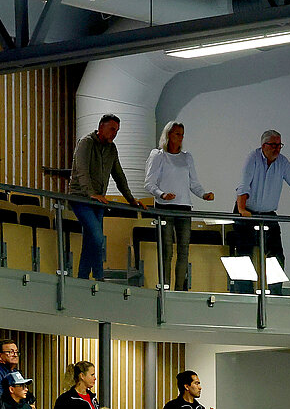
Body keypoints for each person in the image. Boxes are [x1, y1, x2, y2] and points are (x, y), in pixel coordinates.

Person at [230, 130, 290, 295]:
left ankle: (275, 292)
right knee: (243, 253)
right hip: (246, 211)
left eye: (279, 145)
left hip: (268, 213)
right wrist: (242, 209)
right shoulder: (253, 159)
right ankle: (244, 293)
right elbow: (244, 186)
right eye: (273, 145)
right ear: (263, 146)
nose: (277, 149)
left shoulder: (283, 163)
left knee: (276, 254)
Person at [69, 114, 144, 281]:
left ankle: (86, 277)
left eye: (117, 131)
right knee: (96, 237)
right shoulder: (86, 142)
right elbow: (82, 170)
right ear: (101, 127)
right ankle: (96, 276)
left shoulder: (112, 149)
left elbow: (119, 175)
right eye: (112, 129)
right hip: (81, 198)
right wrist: (90, 193)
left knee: (91, 239)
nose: (114, 133)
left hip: (98, 200)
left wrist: (130, 198)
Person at [144, 121, 214, 290]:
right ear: (168, 135)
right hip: (165, 207)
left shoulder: (186, 157)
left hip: (184, 207)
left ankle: (180, 289)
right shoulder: (158, 155)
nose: (180, 138)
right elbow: (149, 183)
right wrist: (162, 194)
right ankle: (165, 287)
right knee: (167, 251)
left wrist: (203, 194)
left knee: (184, 251)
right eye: (177, 134)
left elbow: (193, 183)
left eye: (182, 134)